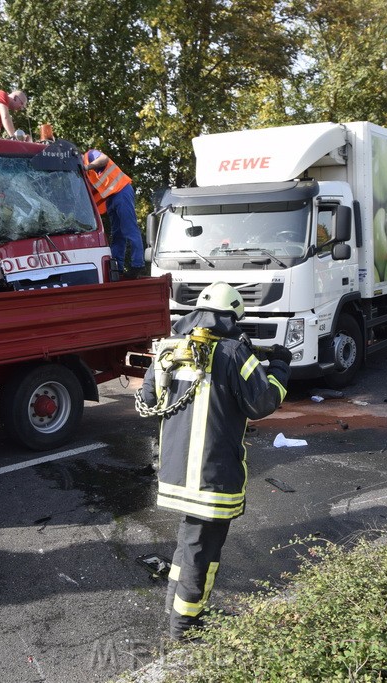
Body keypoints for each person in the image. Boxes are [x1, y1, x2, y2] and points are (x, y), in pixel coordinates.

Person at [136, 282, 290, 641]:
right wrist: (281, 368)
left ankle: (176, 609)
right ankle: (185, 628)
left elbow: (147, 399)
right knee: (201, 553)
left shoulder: (171, 348)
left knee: (189, 544)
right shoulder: (236, 353)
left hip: (176, 472)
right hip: (213, 475)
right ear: (234, 316)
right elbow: (263, 402)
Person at [83, 148, 146, 278]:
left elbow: (104, 159)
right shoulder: (83, 173)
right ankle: (118, 268)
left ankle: (137, 265)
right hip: (111, 197)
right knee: (117, 234)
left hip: (121, 191)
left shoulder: (89, 155)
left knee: (129, 229)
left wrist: (87, 166)